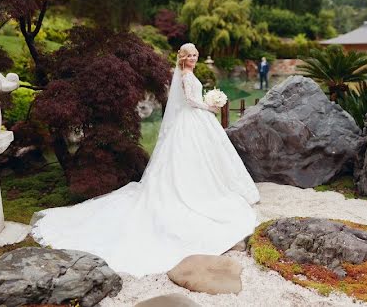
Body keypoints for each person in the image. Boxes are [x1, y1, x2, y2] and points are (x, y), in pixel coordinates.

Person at [31, 43, 260, 277]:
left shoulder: (186, 74)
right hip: (192, 119)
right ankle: (195, 191)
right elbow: (191, 101)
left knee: (201, 157)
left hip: (193, 121)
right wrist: (209, 106)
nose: (193, 58)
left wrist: (207, 105)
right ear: (182, 58)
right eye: (189, 55)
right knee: (188, 157)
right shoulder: (185, 76)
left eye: (195, 55)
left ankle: (205, 186)